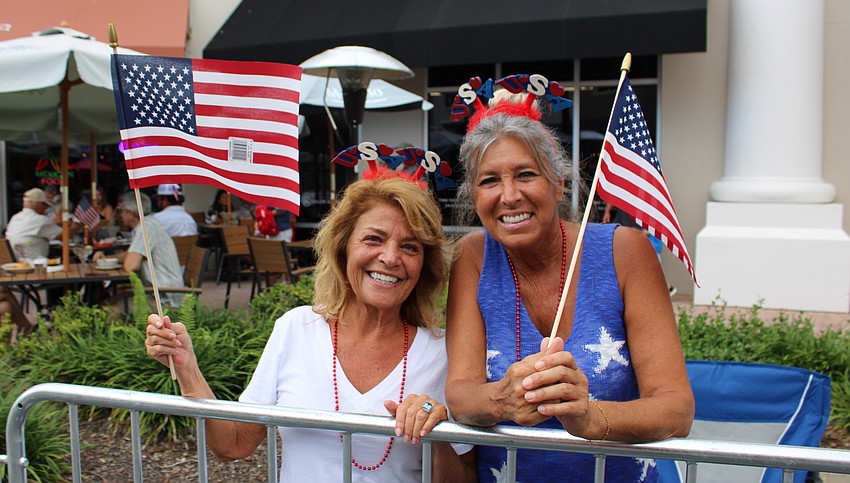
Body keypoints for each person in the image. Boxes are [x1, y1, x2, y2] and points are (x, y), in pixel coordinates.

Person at [145, 170, 476, 482]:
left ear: (424, 264)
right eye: (374, 239)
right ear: (343, 248)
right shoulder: (296, 329)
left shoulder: (444, 351)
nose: (390, 258)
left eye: (409, 246)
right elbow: (234, 444)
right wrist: (187, 368)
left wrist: (437, 433)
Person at [445, 89, 694, 482]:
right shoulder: (472, 256)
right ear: (473, 197)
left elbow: (676, 409)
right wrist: (502, 399)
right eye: (490, 180)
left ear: (558, 185)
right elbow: (460, 394)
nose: (509, 196)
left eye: (526, 174)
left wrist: (590, 416)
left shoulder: (624, 250)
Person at [93, 191, 185, 307]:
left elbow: (131, 265)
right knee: (105, 303)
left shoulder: (146, 227)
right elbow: (131, 254)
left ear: (131, 213)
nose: (119, 215)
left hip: (164, 300)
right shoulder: (147, 224)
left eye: (120, 211)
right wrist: (107, 258)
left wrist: (111, 260)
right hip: (157, 293)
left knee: (108, 310)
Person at [603, 202, 677, 297]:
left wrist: (645, 232)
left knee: (652, 265)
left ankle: (666, 288)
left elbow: (657, 217)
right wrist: (607, 211)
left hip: (644, 235)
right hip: (630, 230)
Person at [5, 188, 63, 259]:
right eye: (45, 205)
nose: (46, 209)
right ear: (39, 204)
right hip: (34, 265)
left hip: (15, 263)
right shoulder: (39, 220)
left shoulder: (15, 218)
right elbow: (65, 236)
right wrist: (76, 224)